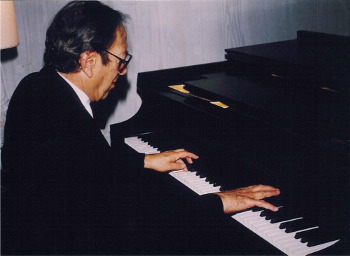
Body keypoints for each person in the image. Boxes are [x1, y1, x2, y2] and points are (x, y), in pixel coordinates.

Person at [1, 1, 280, 254]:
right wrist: (220, 201)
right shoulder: (69, 128)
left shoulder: (36, 86)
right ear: (88, 61)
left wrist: (143, 160)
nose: (122, 72)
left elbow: (87, 165)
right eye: (121, 61)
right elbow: (139, 226)